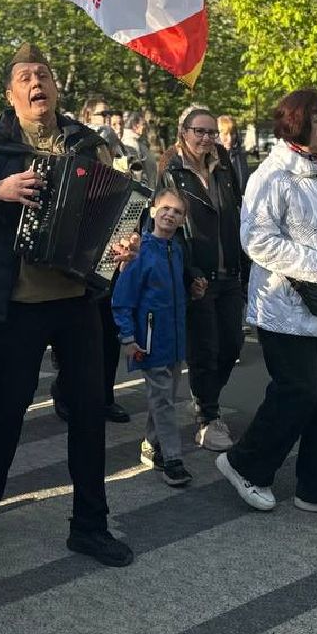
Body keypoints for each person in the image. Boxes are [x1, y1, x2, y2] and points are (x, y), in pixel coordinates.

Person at [0, 43, 136, 567]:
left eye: (43, 75)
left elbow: (119, 208)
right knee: (6, 413)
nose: (35, 83)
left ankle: (89, 525)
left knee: (90, 411)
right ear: (11, 94)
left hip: (76, 300)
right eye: (24, 77)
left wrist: (119, 248)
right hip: (16, 304)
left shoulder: (85, 143)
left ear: (56, 88)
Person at [216, 89, 317, 521]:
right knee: (298, 392)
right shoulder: (271, 176)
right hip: (284, 309)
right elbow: (255, 240)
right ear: (296, 124)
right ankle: (244, 464)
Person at [159, 105, 247, 452]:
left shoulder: (224, 165)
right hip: (199, 274)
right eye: (200, 132)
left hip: (231, 271)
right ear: (184, 132)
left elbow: (238, 212)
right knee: (205, 350)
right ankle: (208, 418)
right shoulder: (172, 171)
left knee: (231, 347)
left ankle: (204, 397)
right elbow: (170, 224)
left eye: (212, 132)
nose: (207, 139)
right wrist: (190, 272)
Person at [113, 188, 199, 488]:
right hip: (149, 341)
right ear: (153, 211)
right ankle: (172, 458)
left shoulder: (176, 249)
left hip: (173, 340)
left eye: (177, 211)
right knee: (163, 400)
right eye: (165, 208)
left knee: (163, 397)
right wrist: (127, 336)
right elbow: (122, 299)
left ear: (183, 219)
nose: (170, 214)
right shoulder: (140, 252)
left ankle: (151, 445)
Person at [218, 114, 252, 192]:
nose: (229, 139)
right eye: (225, 134)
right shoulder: (211, 157)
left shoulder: (240, 156)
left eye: (232, 133)